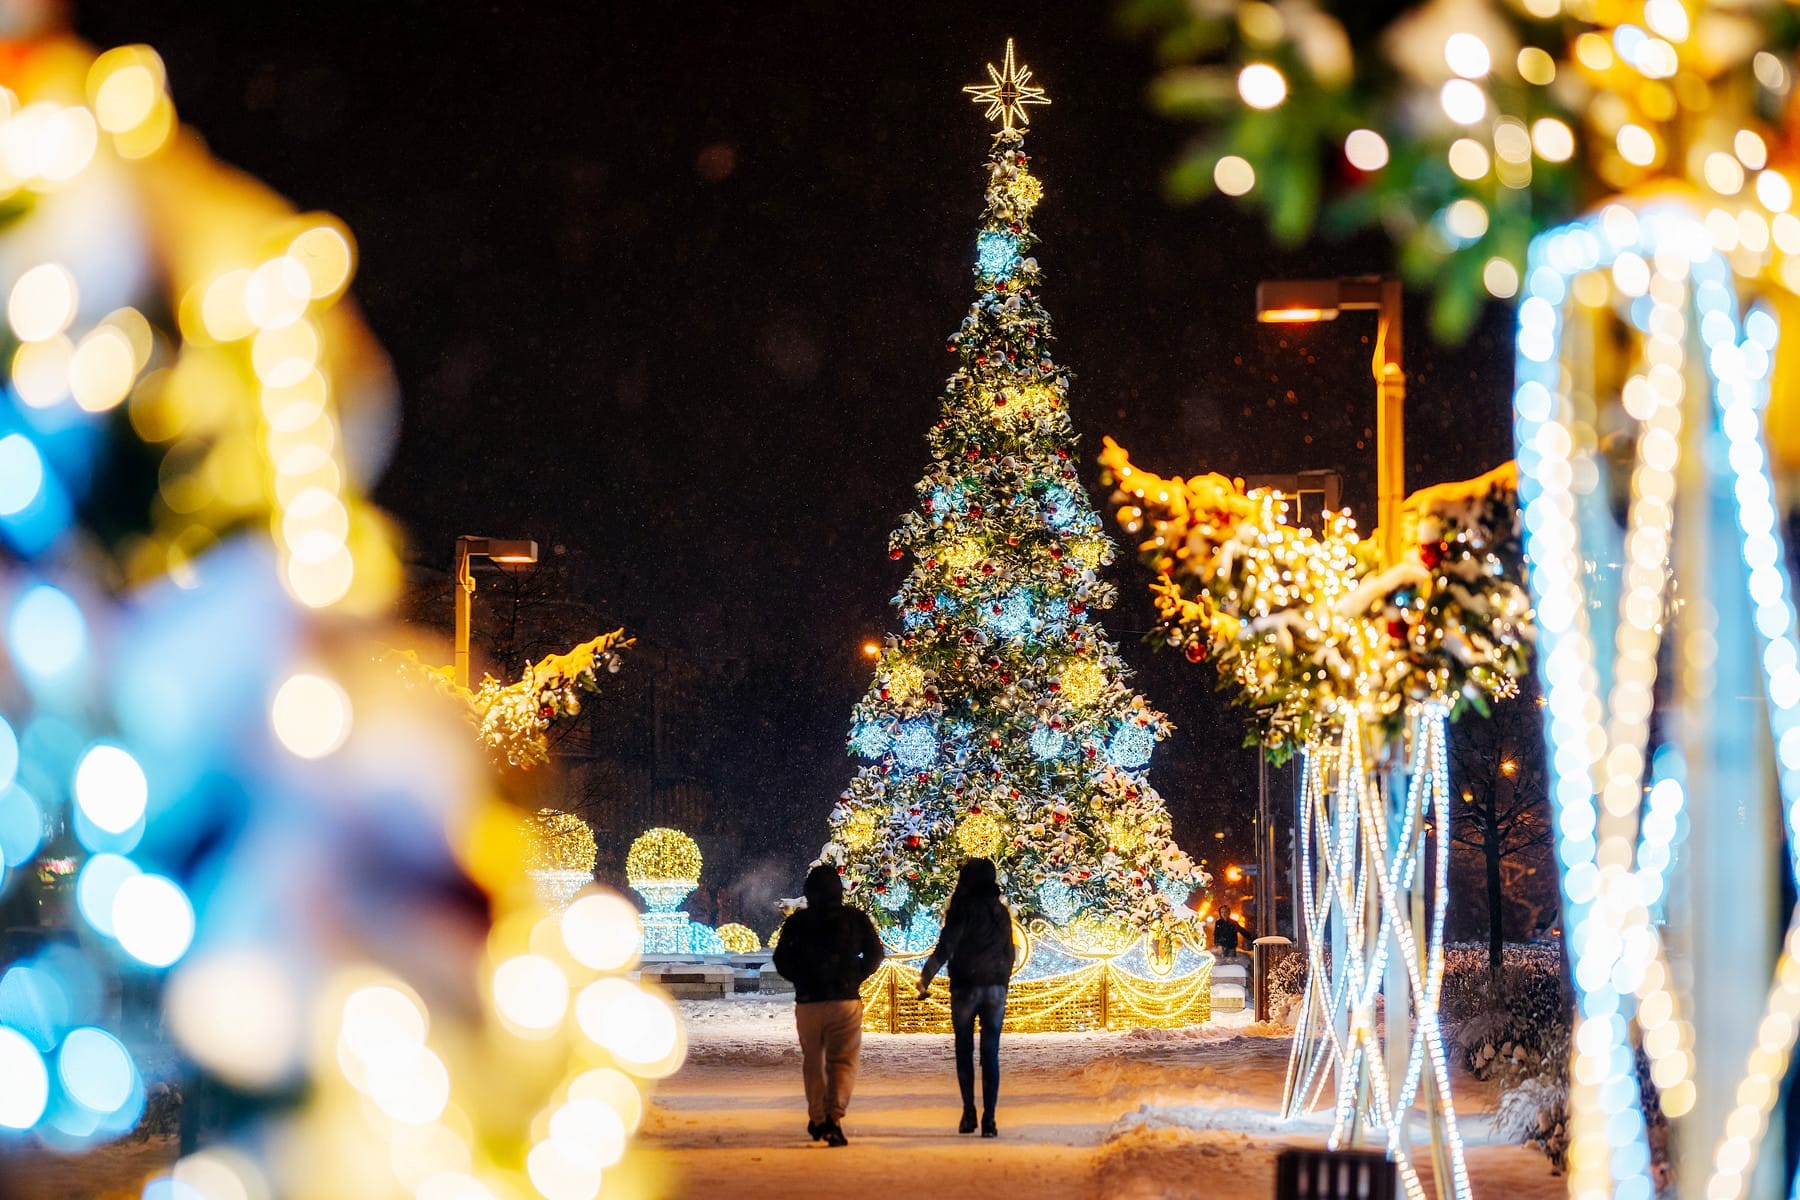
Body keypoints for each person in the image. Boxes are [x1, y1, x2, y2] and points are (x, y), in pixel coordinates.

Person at [772, 863, 885, 1147]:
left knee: (814, 1061)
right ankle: (833, 1117)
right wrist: (855, 975)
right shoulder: (854, 918)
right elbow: (875, 953)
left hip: (809, 1002)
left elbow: (781, 959)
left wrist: (802, 979)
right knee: (843, 1061)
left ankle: (818, 1116)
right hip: (845, 1000)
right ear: (839, 890)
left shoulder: (797, 923)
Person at [916, 857, 1014, 1138]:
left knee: (964, 1050)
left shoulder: (962, 909)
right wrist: (1002, 981)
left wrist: (926, 977)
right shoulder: (1000, 911)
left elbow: (946, 946)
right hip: (995, 987)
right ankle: (990, 1119)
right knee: (990, 1053)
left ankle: (969, 1112)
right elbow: (1009, 953)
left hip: (965, 986)